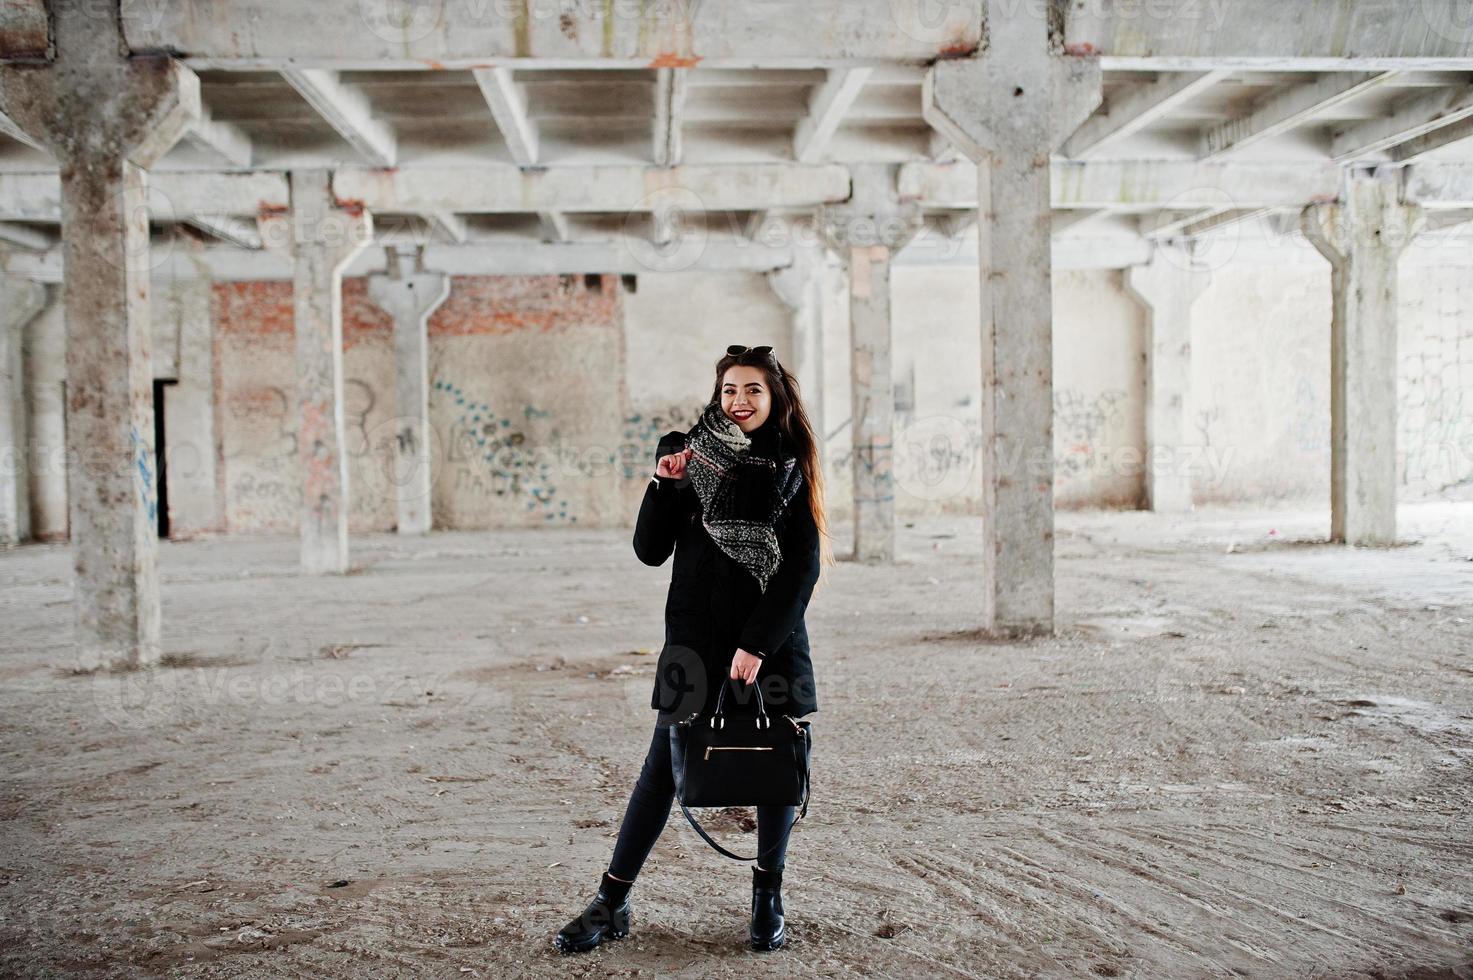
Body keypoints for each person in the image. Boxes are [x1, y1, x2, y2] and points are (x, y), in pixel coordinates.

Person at [554, 344, 832, 955]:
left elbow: (800, 571)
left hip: (772, 645)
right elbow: (650, 550)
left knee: (774, 768)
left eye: (754, 390)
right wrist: (663, 485)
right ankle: (612, 899)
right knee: (661, 771)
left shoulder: (789, 464)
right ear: (718, 393)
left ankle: (767, 895)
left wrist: (757, 645)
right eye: (731, 389)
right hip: (694, 644)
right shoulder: (684, 451)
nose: (740, 402)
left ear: (774, 397)